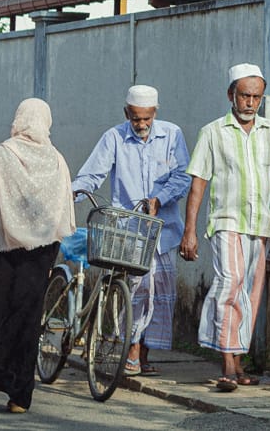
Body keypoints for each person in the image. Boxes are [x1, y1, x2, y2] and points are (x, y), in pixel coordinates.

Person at [179, 62, 270, 392]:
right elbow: (198, 184)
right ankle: (227, 365)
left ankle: (238, 362)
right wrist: (190, 230)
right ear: (231, 94)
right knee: (230, 283)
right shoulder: (213, 132)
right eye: (245, 95)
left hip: (261, 225)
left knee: (250, 294)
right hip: (227, 223)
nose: (250, 103)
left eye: (256, 97)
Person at [0, 97, 76, 414]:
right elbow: (60, 214)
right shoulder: (57, 163)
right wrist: (49, 258)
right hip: (38, 258)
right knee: (26, 322)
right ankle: (19, 398)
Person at [70, 83, 191, 376]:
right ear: (127, 113)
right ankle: (131, 350)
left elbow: (183, 176)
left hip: (164, 230)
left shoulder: (172, 135)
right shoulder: (114, 137)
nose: (141, 124)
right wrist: (73, 192)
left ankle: (144, 353)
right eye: (136, 118)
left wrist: (159, 199)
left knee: (162, 293)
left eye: (147, 118)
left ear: (155, 113)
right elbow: (92, 173)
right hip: (128, 230)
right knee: (137, 290)